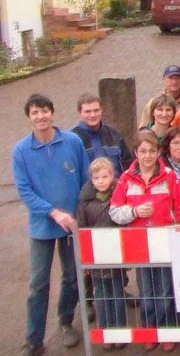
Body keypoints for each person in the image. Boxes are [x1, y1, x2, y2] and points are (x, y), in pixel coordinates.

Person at [13, 94, 89, 356]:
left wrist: (79, 214)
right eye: (35, 113)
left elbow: (85, 179)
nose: (40, 116)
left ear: (52, 113)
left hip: (72, 224)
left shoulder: (72, 141)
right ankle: (33, 340)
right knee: (38, 283)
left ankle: (66, 322)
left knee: (71, 276)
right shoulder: (21, 151)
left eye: (44, 111)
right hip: (42, 225)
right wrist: (54, 213)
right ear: (29, 117)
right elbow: (25, 191)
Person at [110, 129, 180, 353]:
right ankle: (149, 332)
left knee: (165, 291)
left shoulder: (169, 176)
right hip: (140, 244)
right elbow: (114, 211)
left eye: (151, 151)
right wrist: (134, 212)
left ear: (158, 152)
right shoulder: (125, 179)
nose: (147, 156)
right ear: (135, 152)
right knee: (146, 291)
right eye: (142, 151)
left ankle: (167, 332)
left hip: (165, 242)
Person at [76, 158, 127, 352]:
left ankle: (120, 331)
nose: (101, 181)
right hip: (96, 256)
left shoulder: (119, 195)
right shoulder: (85, 201)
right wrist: (85, 259)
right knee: (102, 295)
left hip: (116, 254)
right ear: (91, 179)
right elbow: (81, 229)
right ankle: (105, 331)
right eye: (96, 178)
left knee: (117, 293)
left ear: (112, 176)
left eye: (105, 176)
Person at [72, 93, 133, 178]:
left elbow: (128, 167)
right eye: (87, 111)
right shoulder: (73, 140)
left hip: (115, 189)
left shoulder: (115, 136)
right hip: (87, 190)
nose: (92, 115)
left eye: (96, 110)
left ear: (102, 110)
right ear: (79, 112)